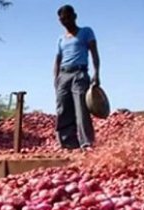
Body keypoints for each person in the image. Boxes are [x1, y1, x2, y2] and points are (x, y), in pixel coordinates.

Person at [54, 5, 100, 150]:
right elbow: (57, 60)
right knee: (62, 109)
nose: (65, 21)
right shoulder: (60, 39)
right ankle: (68, 143)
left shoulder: (86, 32)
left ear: (74, 16)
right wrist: (56, 79)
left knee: (81, 108)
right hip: (63, 74)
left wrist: (97, 73)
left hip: (79, 73)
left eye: (68, 17)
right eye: (62, 19)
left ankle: (86, 143)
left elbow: (94, 53)